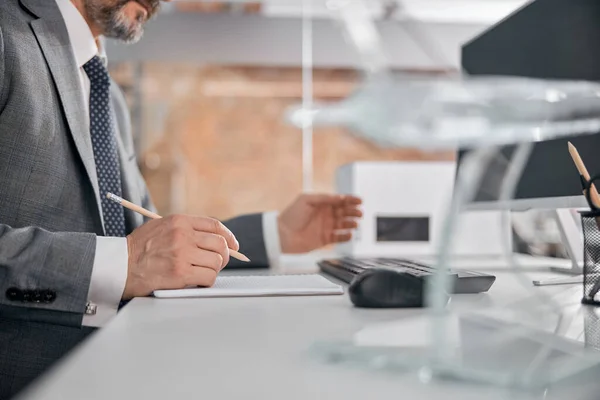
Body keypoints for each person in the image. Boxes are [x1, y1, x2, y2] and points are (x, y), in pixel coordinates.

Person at [0, 0, 362, 397]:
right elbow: (132, 257)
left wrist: (275, 233)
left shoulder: (107, 94)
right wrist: (129, 261)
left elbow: (147, 239)